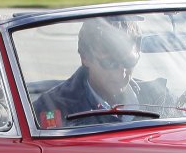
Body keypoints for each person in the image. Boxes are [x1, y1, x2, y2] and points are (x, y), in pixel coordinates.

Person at [32, 17, 170, 128]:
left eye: (129, 61)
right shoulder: (51, 108)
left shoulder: (160, 98)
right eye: (110, 63)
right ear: (85, 57)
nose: (121, 73)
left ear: (138, 53)